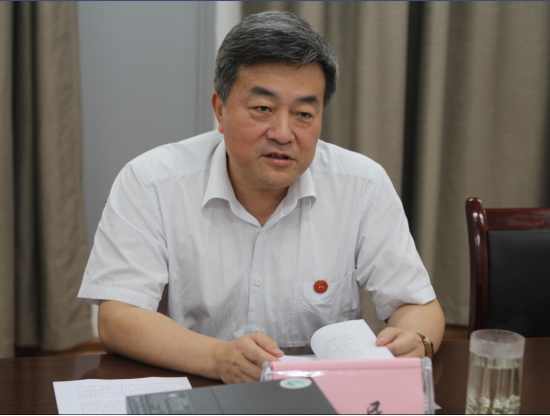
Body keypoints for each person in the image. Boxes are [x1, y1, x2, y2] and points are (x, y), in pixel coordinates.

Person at [78, 11, 444, 384]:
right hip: (199, 385)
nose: (283, 133)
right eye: (263, 109)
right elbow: (118, 317)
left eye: (303, 114)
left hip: (319, 396)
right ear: (220, 110)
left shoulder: (362, 185)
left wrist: (417, 340)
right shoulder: (151, 182)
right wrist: (217, 358)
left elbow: (416, 304)